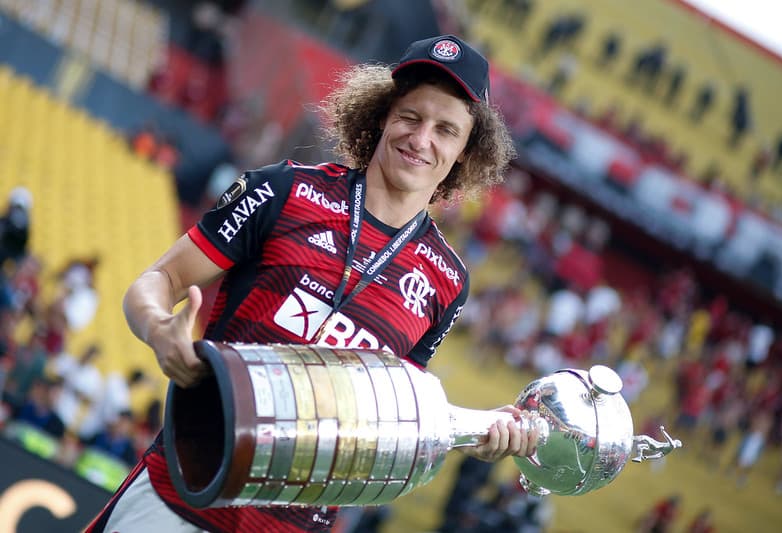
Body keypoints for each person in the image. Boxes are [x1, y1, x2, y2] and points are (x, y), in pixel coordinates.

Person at [86, 34, 533, 533]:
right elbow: (159, 279)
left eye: (445, 129)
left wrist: (475, 431)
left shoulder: (447, 281)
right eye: (410, 116)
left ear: (466, 151)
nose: (421, 138)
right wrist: (157, 328)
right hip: (183, 494)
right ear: (382, 116)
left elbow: (391, 415)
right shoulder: (285, 190)